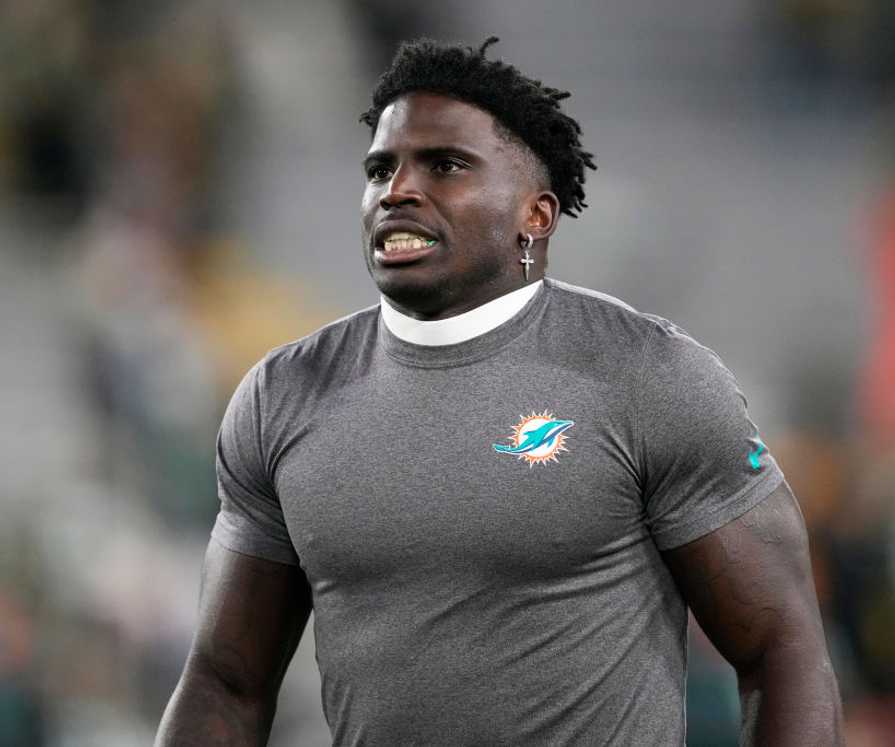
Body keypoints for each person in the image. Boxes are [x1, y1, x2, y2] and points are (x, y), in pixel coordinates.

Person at [156, 36, 843, 746]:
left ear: (534, 216)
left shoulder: (649, 375)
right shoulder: (283, 396)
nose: (398, 190)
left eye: (444, 165)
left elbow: (782, 647)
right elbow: (225, 683)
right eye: (380, 168)